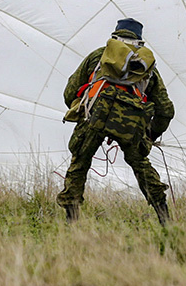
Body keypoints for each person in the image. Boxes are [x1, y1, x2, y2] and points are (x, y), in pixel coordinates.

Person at [56, 18, 174, 225]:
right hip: (131, 123)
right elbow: (166, 110)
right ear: (139, 41)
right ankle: (165, 219)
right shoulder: (148, 68)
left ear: (115, 35)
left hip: (95, 117)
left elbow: (69, 92)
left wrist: (81, 110)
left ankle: (71, 221)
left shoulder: (98, 56)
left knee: (80, 161)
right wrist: (150, 135)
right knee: (141, 165)